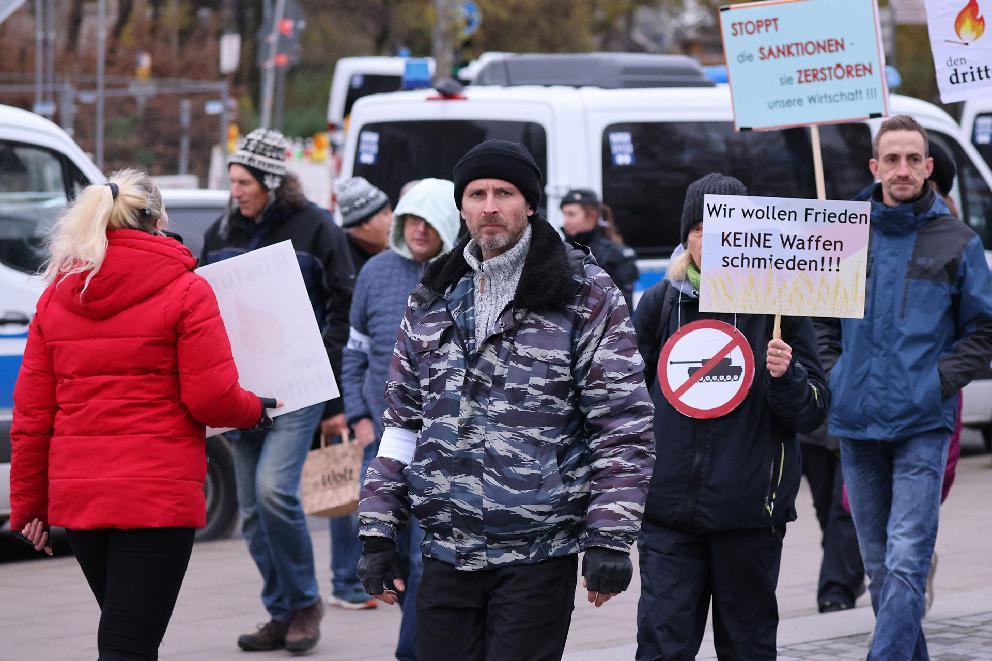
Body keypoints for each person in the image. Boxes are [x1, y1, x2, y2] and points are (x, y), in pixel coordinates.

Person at [356, 139, 656, 661]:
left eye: (504, 192)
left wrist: (610, 536)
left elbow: (623, 426)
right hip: (446, 548)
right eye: (476, 193)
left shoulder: (583, 292)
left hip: (537, 549)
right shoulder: (432, 296)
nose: (489, 206)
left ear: (530, 204)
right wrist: (378, 529)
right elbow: (403, 424)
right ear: (462, 206)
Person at [10, 169, 278, 660]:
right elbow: (210, 398)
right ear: (157, 220)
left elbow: (33, 414)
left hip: (83, 499)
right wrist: (255, 410)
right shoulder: (186, 290)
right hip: (156, 497)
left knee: (125, 636)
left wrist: (30, 504)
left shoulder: (56, 296)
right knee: (128, 645)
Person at [632, 173, 829, 660]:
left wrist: (788, 378)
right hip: (668, 518)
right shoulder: (660, 304)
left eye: (724, 228)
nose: (709, 239)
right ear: (686, 237)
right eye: (698, 228)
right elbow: (625, 400)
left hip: (749, 516)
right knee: (661, 646)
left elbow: (815, 411)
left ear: (750, 238)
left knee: (748, 647)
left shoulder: (783, 309)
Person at [825, 115, 992, 660]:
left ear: (928, 167)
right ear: (875, 167)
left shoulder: (957, 241)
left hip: (923, 423)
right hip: (856, 423)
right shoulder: (844, 235)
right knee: (878, 566)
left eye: (912, 159)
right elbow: (819, 321)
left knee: (906, 559)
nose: (902, 169)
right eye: (891, 159)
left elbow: (983, 328)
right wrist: (835, 374)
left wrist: (937, 382)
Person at [201, 128, 355, 653]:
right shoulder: (224, 228)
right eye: (232, 182)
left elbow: (343, 303)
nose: (236, 191)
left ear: (268, 180)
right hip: (240, 388)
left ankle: (306, 604)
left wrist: (324, 372)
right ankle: (282, 610)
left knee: (273, 490)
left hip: (297, 386)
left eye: (243, 181)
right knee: (248, 507)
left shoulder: (317, 227)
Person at [340, 178, 460, 659]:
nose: (417, 230)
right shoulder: (374, 271)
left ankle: (412, 650)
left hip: (439, 439)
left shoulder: (462, 274)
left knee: (425, 553)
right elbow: (355, 352)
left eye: (427, 221)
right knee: (388, 551)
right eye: (409, 219)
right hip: (382, 437)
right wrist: (358, 416)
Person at [560, 188, 639, 309]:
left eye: (571, 214)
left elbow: (621, 308)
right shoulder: (559, 250)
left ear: (591, 217)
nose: (565, 221)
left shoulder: (615, 255)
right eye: (564, 214)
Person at [337, 176, 393, 273]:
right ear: (366, 222)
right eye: (385, 213)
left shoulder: (384, 256)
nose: (392, 219)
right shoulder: (340, 265)